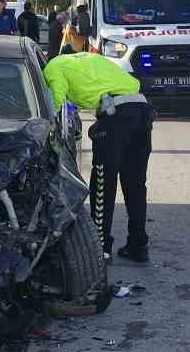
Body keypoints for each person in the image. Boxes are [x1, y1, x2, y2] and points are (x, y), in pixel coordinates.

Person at [44, 24, 154, 263]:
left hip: (116, 115)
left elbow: (55, 103)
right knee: (135, 183)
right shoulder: (90, 59)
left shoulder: (53, 67)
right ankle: (138, 245)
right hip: (142, 109)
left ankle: (101, 248)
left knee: (103, 183)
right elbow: (126, 86)